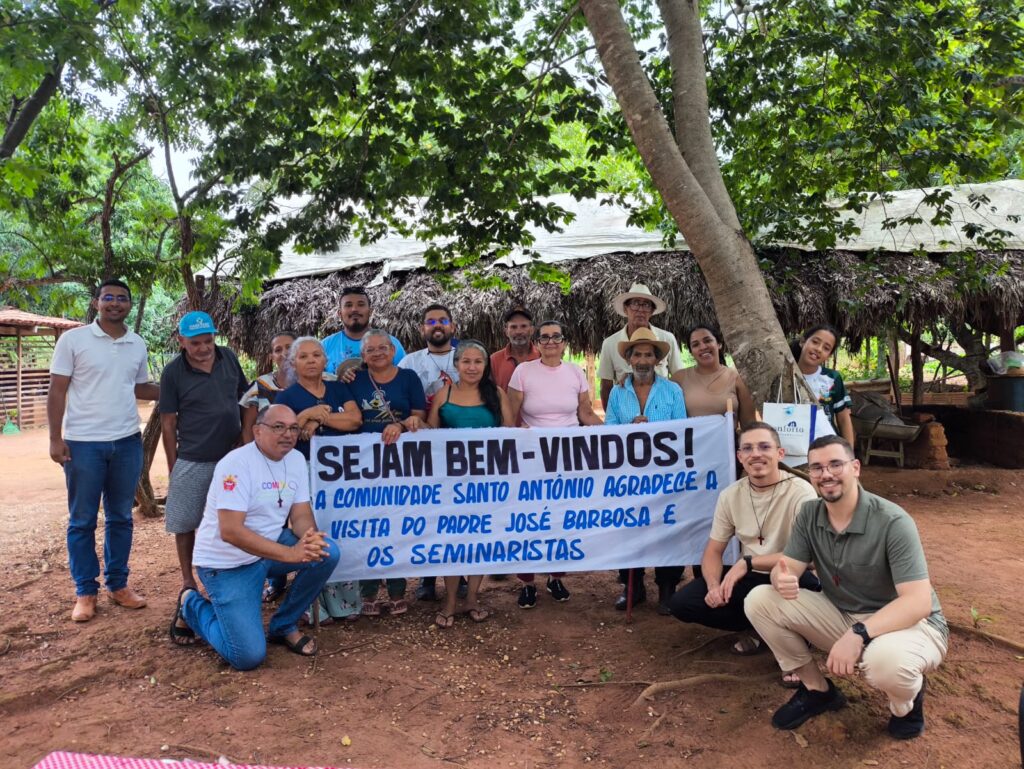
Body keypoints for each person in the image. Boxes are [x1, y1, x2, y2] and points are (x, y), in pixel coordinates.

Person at [744, 436, 948, 739]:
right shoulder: (810, 514)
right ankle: (817, 690)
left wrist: (859, 634)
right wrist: (780, 578)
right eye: (817, 468)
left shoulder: (892, 521)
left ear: (855, 468)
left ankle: (906, 704)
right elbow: (788, 567)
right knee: (760, 600)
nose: (826, 474)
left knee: (885, 663)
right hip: (844, 614)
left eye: (835, 464)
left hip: (910, 624)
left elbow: (917, 603)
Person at [169, 404, 340, 669]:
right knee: (246, 657)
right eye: (278, 427)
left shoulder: (295, 459)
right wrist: (291, 553)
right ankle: (190, 604)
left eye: (293, 428)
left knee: (327, 552)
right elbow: (231, 531)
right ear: (257, 431)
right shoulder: (235, 464)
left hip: (267, 549)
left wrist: (310, 538)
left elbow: (300, 513)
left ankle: (283, 625)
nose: (288, 434)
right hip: (227, 564)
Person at [669, 423, 819, 686]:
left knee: (782, 580)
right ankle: (758, 630)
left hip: (790, 573)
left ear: (780, 453)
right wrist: (714, 587)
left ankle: (795, 648)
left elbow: (807, 556)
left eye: (764, 447)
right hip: (750, 576)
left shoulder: (801, 492)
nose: (755, 454)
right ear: (740, 457)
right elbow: (713, 550)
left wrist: (747, 563)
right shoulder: (731, 495)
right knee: (684, 603)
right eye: (747, 448)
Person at [47, 279, 160, 622]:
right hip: (83, 444)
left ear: (130, 304)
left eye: (122, 298)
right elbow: (57, 390)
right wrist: (55, 438)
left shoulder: (136, 343)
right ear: (96, 302)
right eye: (108, 297)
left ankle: (118, 584)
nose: (115, 303)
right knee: (82, 520)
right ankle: (85, 591)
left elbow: (140, 387)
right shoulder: (73, 340)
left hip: (126, 442)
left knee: (121, 517)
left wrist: (179, 388)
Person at [160, 311, 249, 633]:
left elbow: (245, 398)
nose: (203, 348)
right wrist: (174, 466)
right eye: (195, 343)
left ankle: (234, 575)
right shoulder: (173, 372)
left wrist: (245, 438)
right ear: (181, 341)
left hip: (232, 457)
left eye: (208, 341)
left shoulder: (228, 358)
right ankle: (188, 580)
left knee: (235, 518)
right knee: (185, 522)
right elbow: (168, 423)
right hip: (194, 457)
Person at [508, 320, 602, 608]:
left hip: (568, 456)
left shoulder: (575, 372)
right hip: (532, 457)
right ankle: (527, 582)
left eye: (556, 337)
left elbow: (585, 413)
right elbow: (510, 415)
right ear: (537, 343)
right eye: (544, 337)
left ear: (564, 343)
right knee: (529, 519)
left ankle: (555, 577)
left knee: (561, 517)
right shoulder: (523, 372)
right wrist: (517, 436)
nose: (550, 341)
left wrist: (615, 435)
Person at [426, 339, 515, 627]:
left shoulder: (497, 394)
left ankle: (473, 598)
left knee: (480, 539)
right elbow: (429, 436)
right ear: (457, 364)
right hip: (450, 483)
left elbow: (510, 433)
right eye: (466, 361)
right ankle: (450, 601)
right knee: (452, 541)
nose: (472, 367)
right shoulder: (444, 394)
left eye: (478, 362)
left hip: (487, 483)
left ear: (485, 365)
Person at [272, 337, 362, 616]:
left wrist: (317, 418)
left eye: (316, 355)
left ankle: (345, 604)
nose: (311, 360)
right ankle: (313, 607)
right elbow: (283, 433)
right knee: (312, 531)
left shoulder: (338, 388)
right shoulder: (286, 397)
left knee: (342, 530)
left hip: (341, 473)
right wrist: (306, 414)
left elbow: (354, 420)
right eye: (303, 356)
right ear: (293, 363)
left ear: (325, 360)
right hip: (304, 473)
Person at [604, 328, 688, 613]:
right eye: (637, 355)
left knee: (668, 528)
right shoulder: (618, 392)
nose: (642, 360)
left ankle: (667, 588)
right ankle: (633, 587)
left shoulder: (672, 391)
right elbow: (609, 428)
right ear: (628, 359)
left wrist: (654, 432)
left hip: (665, 475)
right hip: (628, 476)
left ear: (657, 360)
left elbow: (682, 429)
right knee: (629, 529)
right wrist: (629, 430)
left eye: (648, 355)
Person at [347, 329, 427, 616]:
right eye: (371, 349)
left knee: (396, 524)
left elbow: (419, 415)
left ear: (393, 351)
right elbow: (347, 415)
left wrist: (402, 425)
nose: (378, 353)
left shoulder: (408, 378)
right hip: (363, 465)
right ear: (363, 355)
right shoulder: (354, 380)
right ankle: (367, 591)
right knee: (367, 526)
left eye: (383, 347)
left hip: (401, 463)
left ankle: (396, 590)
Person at [597, 283, 683, 409]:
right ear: (625, 309)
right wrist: (613, 417)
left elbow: (679, 378)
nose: (640, 310)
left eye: (646, 305)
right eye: (635, 303)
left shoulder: (667, 339)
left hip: (662, 410)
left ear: (652, 311)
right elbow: (606, 387)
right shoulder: (610, 344)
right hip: (625, 412)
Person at [672, 325, 756, 427]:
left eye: (707, 341)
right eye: (695, 345)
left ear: (719, 344)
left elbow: (749, 424)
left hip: (728, 437)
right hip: (691, 438)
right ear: (691, 352)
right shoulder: (679, 378)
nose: (703, 347)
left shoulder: (737, 378)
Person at [321, 286, 405, 375]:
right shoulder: (324, 347)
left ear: (370, 312)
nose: (354, 309)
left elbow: (404, 378)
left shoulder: (391, 343)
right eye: (348, 305)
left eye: (361, 304)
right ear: (340, 313)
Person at [794, 324, 855, 445]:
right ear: (802, 342)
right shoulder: (783, 375)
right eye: (815, 342)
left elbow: (843, 418)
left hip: (826, 447)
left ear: (829, 355)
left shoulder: (832, 379)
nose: (819, 349)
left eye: (826, 348)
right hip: (791, 446)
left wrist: (849, 452)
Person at [399, 303, 460, 410]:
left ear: (452, 327)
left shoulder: (466, 360)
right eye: (431, 322)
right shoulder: (409, 362)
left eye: (443, 321)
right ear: (422, 329)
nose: (437, 325)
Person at [240, 330, 297, 444]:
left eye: (289, 347)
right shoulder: (259, 387)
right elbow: (248, 428)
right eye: (278, 350)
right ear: (272, 357)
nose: (285, 353)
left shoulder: (317, 381)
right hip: (269, 452)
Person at [490, 307, 540, 392]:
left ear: (532, 330)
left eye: (523, 326)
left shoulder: (541, 357)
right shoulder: (494, 360)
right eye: (513, 327)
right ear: (506, 331)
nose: (518, 331)